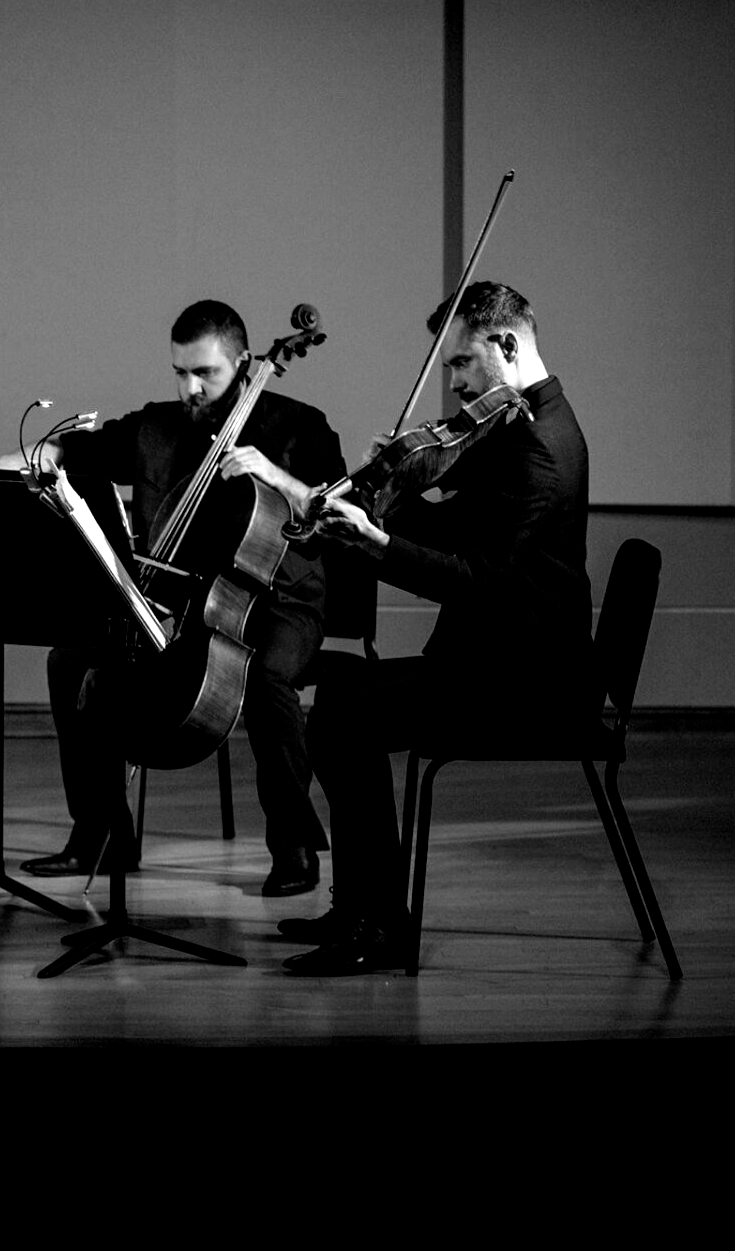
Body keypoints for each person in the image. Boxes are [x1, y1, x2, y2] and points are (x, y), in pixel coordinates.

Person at [282, 281, 593, 974]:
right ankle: (362, 908)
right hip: (501, 658)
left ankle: (379, 927)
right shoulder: (524, 427)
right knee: (339, 704)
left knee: (346, 719)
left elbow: (476, 578)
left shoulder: (538, 447)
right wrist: (392, 501)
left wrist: (373, 543)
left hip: (524, 682)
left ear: (507, 345)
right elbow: (463, 528)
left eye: (461, 363)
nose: (452, 384)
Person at [5, 300, 345, 895]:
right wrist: (37, 457)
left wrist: (274, 475)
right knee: (69, 661)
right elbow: (83, 450)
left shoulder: (301, 427)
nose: (189, 387)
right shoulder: (157, 426)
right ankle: (103, 835)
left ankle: (292, 843)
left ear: (243, 363)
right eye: (179, 372)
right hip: (176, 598)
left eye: (205, 373)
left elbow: (336, 515)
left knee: (265, 676)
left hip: (277, 602)